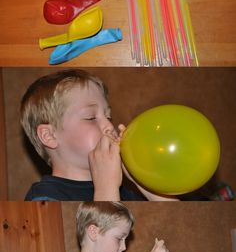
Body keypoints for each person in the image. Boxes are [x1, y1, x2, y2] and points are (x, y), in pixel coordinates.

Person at [20, 69, 176, 202]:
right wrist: (106, 188)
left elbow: (173, 215)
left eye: (108, 117)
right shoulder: (45, 197)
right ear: (49, 136)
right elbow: (104, 223)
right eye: (91, 117)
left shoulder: (124, 191)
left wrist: (140, 179)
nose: (109, 126)